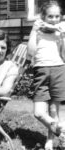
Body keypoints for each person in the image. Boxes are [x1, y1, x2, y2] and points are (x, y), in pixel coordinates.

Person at [27, 1, 65, 150]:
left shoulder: (61, 29)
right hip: (41, 70)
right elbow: (30, 53)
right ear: (43, 16)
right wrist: (34, 31)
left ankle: (50, 141)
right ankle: (62, 134)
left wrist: (62, 37)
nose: (54, 20)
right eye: (50, 16)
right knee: (39, 113)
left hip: (59, 69)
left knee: (55, 111)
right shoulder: (38, 28)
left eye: (57, 16)